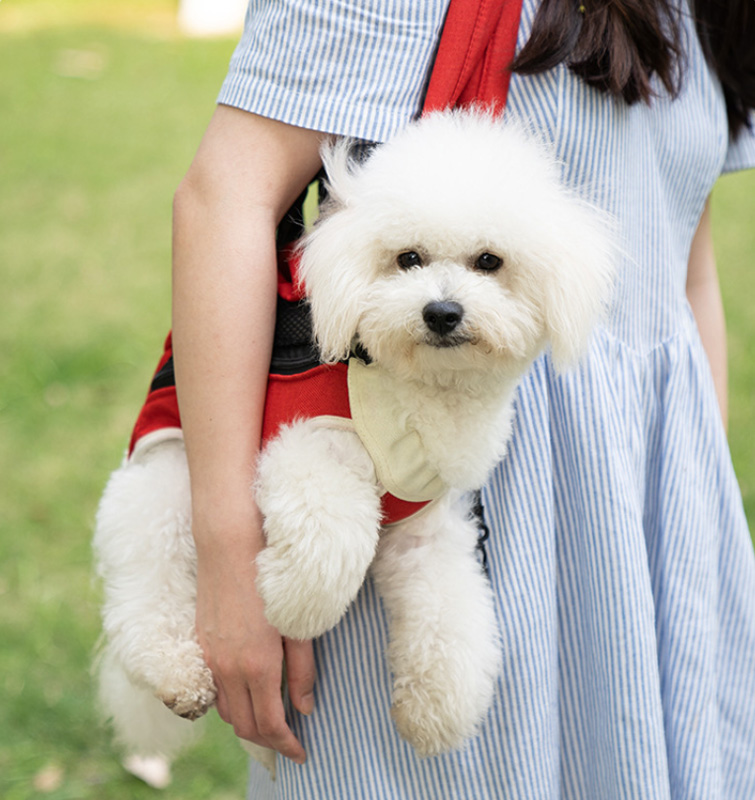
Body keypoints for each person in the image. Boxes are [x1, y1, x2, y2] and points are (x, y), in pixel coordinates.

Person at [166, 0, 755, 796]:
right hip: (453, 490)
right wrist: (231, 556)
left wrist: (693, 520)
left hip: (647, 498)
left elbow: (683, 266)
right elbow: (226, 197)